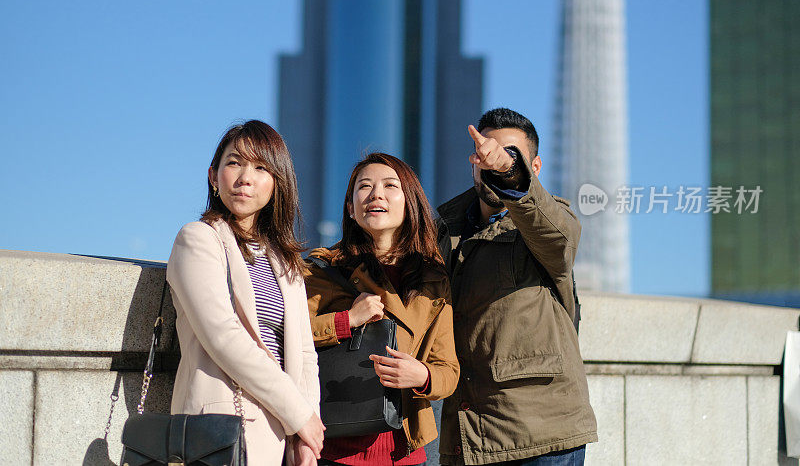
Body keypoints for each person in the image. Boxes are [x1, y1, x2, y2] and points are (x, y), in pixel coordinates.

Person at [436, 108, 597, 465]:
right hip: (466, 437)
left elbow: (558, 240)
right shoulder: (440, 231)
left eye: (510, 155)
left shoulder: (550, 221)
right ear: (472, 161)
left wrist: (509, 174)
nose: (492, 163)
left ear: (534, 168)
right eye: (485, 155)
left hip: (541, 435)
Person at [166, 120, 324, 465]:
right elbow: (224, 337)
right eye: (234, 163)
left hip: (282, 433)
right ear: (213, 175)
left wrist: (306, 433)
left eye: (261, 167)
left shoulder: (285, 259)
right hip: (221, 430)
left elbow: (304, 352)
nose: (244, 178)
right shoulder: (198, 238)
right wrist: (298, 414)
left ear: (276, 183)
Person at [305, 152, 460, 466]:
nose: (376, 194)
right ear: (350, 208)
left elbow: (449, 370)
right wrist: (348, 320)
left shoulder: (433, 280)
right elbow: (288, 338)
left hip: (403, 450)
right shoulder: (322, 268)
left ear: (410, 202)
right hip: (333, 446)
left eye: (390, 185)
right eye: (364, 187)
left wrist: (423, 375)